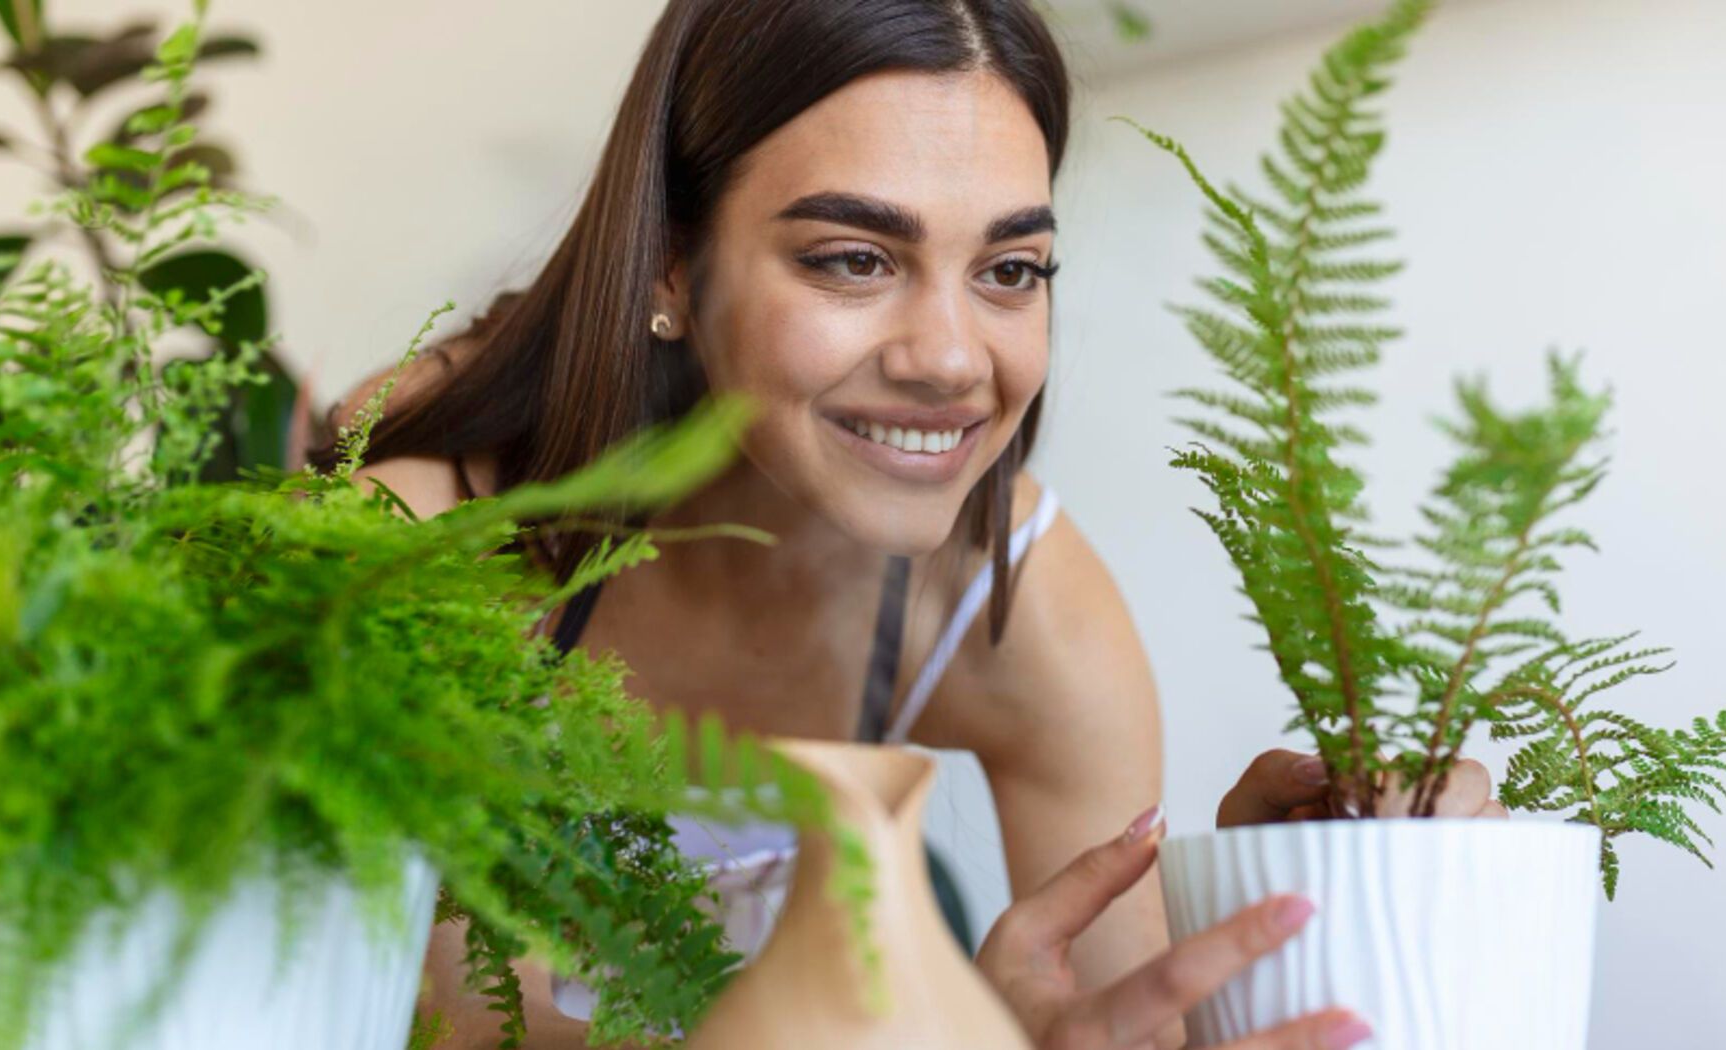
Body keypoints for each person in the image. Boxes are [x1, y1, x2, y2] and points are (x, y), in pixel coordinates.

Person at [327, 2, 1503, 1046]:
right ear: (672, 269)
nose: (950, 360)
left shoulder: (1019, 605)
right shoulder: (419, 548)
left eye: (1010, 270)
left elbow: (1125, 1019)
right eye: (854, 259)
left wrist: (1307, 883)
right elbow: (431, 1019)